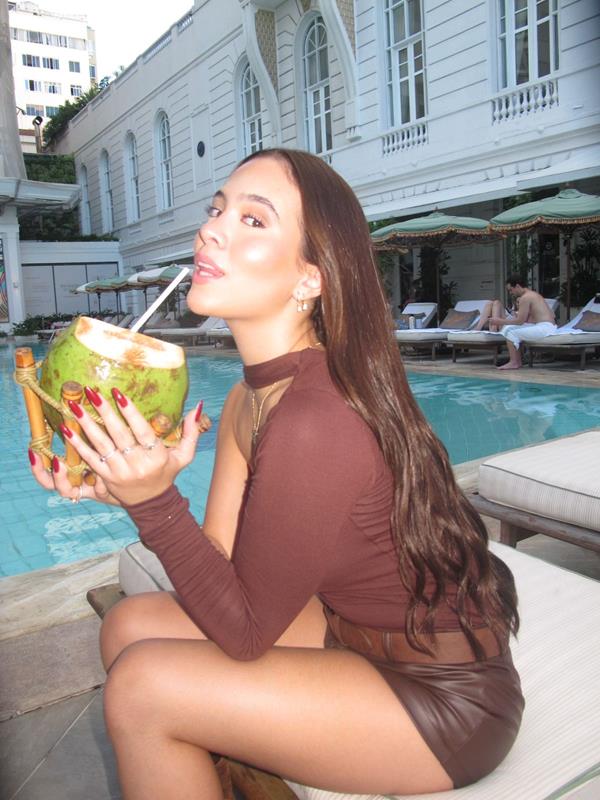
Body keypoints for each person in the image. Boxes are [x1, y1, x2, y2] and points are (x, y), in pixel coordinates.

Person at [29, 149, 524, 799]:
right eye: (216, 210)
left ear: (310, 278)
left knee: (143, 689)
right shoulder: (249, 396)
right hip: (349, 630)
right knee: (130, 624)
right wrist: (132, 492)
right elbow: (221, 560)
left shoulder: (316, 416)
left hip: (443, 696)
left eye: (253, 220)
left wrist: (156, 504)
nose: (211, 230)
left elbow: (244, 632)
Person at [484, 274, 556, 370]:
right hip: (547, 326)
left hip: (544, 328)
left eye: (511, 290)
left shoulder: (525, 298)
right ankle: (517, 360)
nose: (510, 293)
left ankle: (514, 362)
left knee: (509, 330)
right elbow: (526, 320)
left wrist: (499, 321)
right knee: (511, 329)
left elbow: (519, 321)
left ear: (517, 286)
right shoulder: (533, 294)